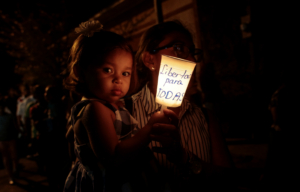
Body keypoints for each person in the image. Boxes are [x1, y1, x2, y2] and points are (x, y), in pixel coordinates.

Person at [63, 20, 173, 192]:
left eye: (125, 73)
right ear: (80, 72)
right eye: (108, 70)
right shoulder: (94, 109)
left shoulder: (106, 106)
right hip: (115, 183)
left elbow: (72, 138)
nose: (118, 79)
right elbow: (114, 156)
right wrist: (150, 129)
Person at [131, 20, 234, 191]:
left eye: (193, 52)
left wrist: (185, 158)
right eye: (179, 48)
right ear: (150, 59)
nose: (192, 60)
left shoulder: (206, 117)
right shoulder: (123, 112)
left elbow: (229, 181)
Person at [0, 96, 20, 185]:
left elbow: (16, 126)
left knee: (14, 156)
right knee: (6, 158)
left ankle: (15, 168)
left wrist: (19, 133)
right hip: (2, 140)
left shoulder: (10, 116)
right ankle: (10, 176)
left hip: (11, 138)